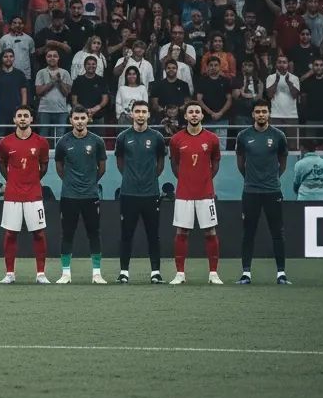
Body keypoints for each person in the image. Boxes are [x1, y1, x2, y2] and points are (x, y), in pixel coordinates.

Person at [235, 101, 290, 286]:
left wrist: (273, 178)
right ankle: (246, 273)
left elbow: (283, 161)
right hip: (250, 192)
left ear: (269, 114)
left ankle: (281, 274)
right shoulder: (243, 136)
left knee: (277, 233)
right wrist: (251, 179)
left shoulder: (278, 136)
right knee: (248, 233)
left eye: (264, 111)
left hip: (272, 191)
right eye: (257, 111)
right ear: (253, 114)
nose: (261, 114)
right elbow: (240, 163)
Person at [168, 102, 222, 285]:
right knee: (181, 231)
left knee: (210, 231)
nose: (194, 115)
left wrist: (205, 179)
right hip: (184, 194)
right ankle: (180, 274)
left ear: (202, 115)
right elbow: (174, 164)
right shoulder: (176, 139)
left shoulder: (212, 139)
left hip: (206, 193)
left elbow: (215, 162)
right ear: (185, 116)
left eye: (197, 112)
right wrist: (185, 179)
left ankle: (213, 273)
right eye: (190, 112)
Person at [114, 101, 166, 284]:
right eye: (137, 111)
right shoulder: (122, 137)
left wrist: (150, 178)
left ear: (149, 114)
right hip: (129, 194)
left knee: (153, 235)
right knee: (126, 235)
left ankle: (155, 273)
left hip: (151, 194)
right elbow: (120, 162)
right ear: (132, 114)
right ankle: (124, 273)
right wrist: (130, 177)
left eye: (144, 111)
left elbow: (160, 163)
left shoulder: (157, 137)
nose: (141, 115)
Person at [54, 106, 107, 284]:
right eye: (76, 118)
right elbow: (59, 167)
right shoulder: (63, 142)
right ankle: (66, 274)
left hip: (90, 196)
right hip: (69, 196)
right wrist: (70, 182)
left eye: (82, 118)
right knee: (67, 234)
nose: (79, 121)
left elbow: (102, 168)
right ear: (71, 120)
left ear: (88, 119)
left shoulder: (97, 141)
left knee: (94, 233)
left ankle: (97, 274)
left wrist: (89, 182)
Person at [0, 106, 50, 284]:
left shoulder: (41, 142)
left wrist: (32, 180)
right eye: (19, 116)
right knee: (10, 234)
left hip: (34, 195)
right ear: (14, 120)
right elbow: (2, 165)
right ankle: (9, 274)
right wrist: (12, 180)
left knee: (39, 234)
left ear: (31, 119)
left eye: (26, 116)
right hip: (12, 195)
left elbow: (44, 167)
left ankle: (41, 274)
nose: (22, 118)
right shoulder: (5, 143)